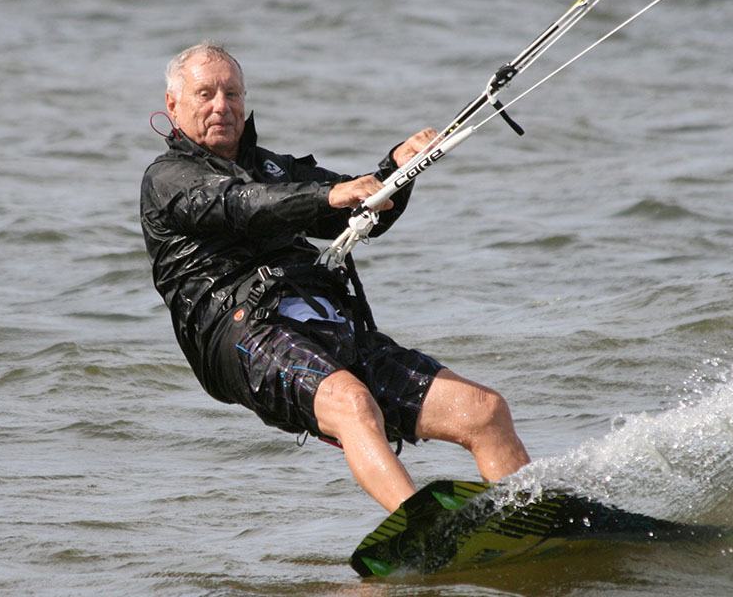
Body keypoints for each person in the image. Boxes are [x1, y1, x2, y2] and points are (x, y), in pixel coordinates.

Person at [140, 42, 530, 512]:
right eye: (205, 94)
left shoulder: (272, 168)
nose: (222, 105)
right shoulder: (168, 179)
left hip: (324, 322)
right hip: (243, 333)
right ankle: (423, 526)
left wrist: (397, 171)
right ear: (173, 105)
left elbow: (362, 213)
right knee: (353, 402)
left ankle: (536, 519)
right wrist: (328, 195)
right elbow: (243, 206)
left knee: (486, 412)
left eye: (232, 93)